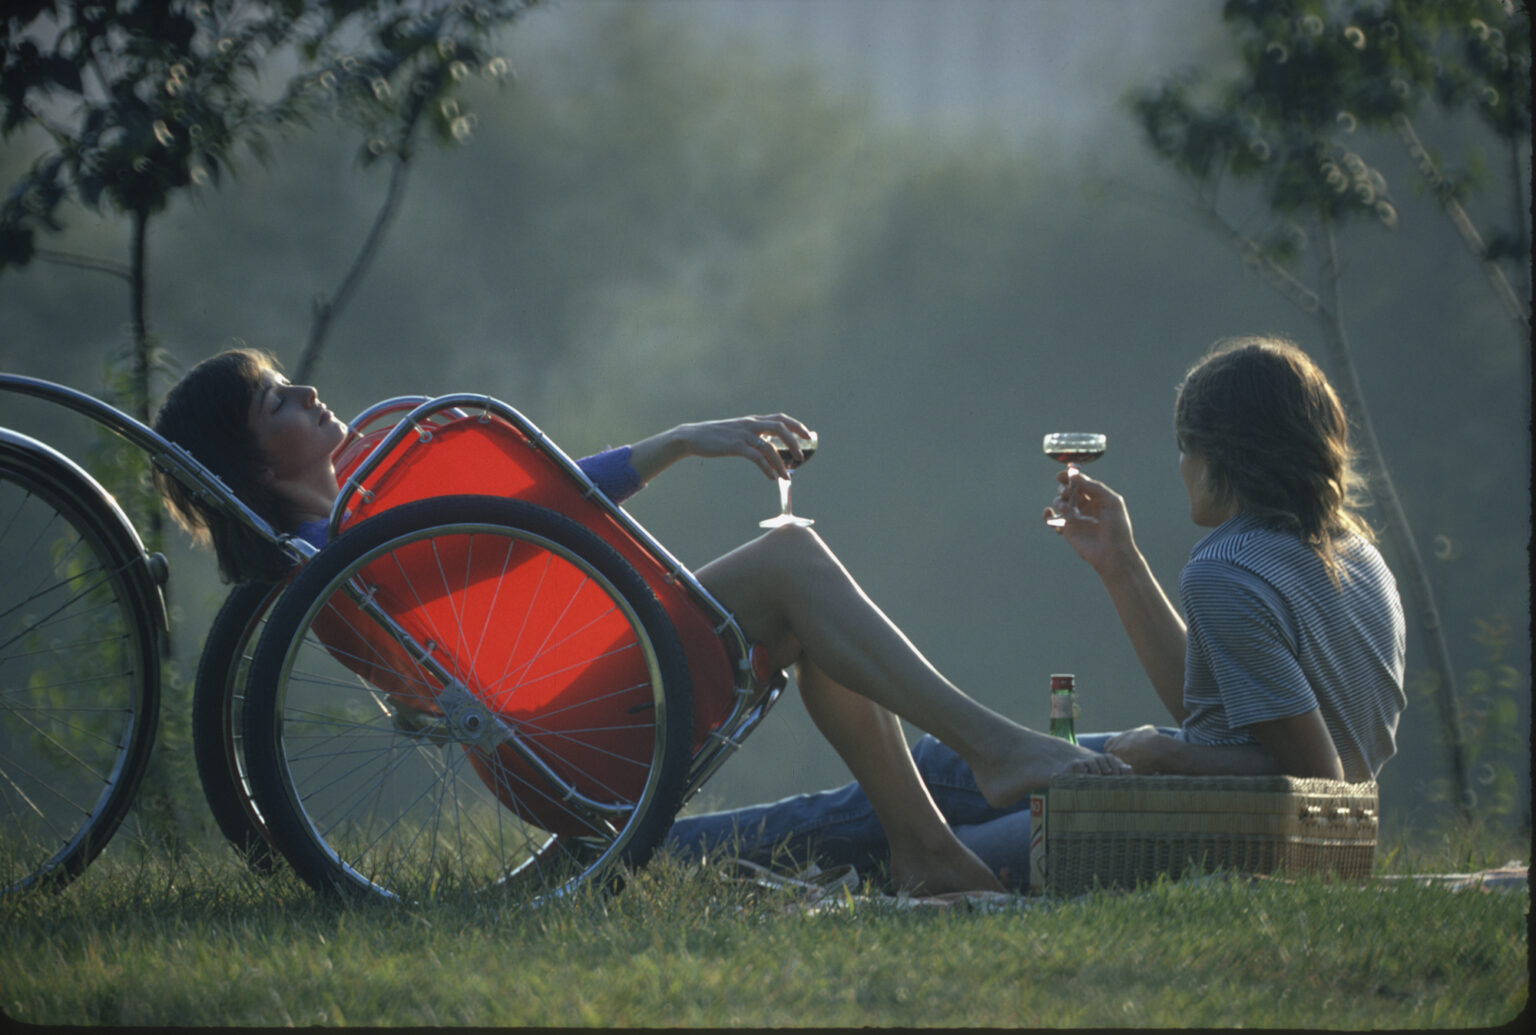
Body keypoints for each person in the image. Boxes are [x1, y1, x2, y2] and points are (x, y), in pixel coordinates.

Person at [152, 347, 1129, 896]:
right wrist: (678, 445)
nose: (312, 392)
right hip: (566, 738)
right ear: (251, 457)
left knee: (800, 602)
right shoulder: (335, 552)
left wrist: (679, 443)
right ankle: (996, 756)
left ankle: (929, 851)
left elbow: (527, 520)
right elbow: (526, 529)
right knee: (790, 558)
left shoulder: (341, 540)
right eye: (281, 397)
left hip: (564, 726)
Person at [667, 335, 1407, 885]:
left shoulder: (1226, 569)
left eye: (1185, 446)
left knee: (862, 830)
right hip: (1241, 817)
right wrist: (1122, 565)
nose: (1179, 466)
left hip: (1203, 833)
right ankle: (650, 847)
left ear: (1221, 453)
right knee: (932, 768)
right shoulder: (1356, 556)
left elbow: (1317, 782)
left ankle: (643, 855)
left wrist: (1169, 754)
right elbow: (1225, 709)